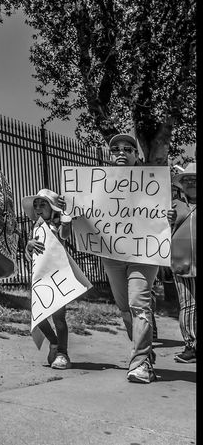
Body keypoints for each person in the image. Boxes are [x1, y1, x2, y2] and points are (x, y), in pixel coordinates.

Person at [101, 133, 159, 383]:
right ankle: (143, 350)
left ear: (137, 155)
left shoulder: (152, 182)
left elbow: (163, 213)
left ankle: (140, 363)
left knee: (139, 304)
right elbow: (86, 218)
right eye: (115, 149)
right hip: (112, 254)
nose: (121, 152)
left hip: (143, 253)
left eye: (128, 149)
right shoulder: (97, 184)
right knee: (126, 309)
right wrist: (71, 207)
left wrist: (166, 216)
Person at [21, 188, 75, 369]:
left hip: (57, 278)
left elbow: (65, 234)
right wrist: (29, 245)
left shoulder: (59, 224)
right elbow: (30, 252)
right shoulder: (35, 226)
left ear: (52, 207)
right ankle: (53, 342)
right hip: (40, 278)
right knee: (37, 315)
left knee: (59, 319)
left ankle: (63, 353)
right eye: (35, 204)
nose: (38, 207)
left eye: (42, 203)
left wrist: (65, 216)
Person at [168, 163, 196, 363]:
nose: (191, 183)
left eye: (195, 179)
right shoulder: (173, 205)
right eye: (187, 180)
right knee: (188, 305)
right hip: (181, 261)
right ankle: (191, 345)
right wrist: (166, 220)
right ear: (182, 184)